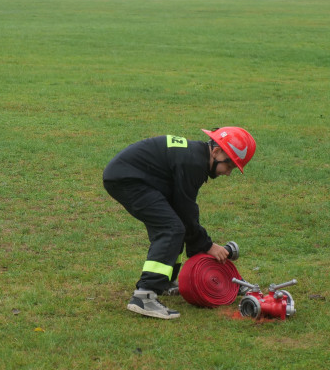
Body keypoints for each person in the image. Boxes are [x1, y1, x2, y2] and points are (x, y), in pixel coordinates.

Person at [102, 127, 256, 319]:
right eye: (229, 165)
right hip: (128, 180)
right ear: (216, 152)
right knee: (171, 228)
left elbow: (184, 212)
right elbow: (186, 209)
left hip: (134, 177)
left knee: (175, 225)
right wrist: (207, 246)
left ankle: (165, 281)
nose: (228, 173)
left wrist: (200, 246)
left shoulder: (196, 157)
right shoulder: (194, 164)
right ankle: (145, 295)